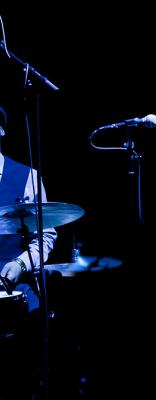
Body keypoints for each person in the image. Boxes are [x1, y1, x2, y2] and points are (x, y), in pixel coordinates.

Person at [0, 105, 58, 399]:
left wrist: (20, 264)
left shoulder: (26, 176)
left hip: (13, 287)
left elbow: (45, 235)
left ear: (0, 129)